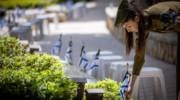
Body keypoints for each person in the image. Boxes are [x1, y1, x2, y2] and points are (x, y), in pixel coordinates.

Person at [115, 0, 180, 99]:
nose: (128, 30)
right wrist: (131, 87)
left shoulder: (159, 16)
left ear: (136, 18)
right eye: (126, 28)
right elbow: (139, 57)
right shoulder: (143, 25)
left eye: (129, 26)